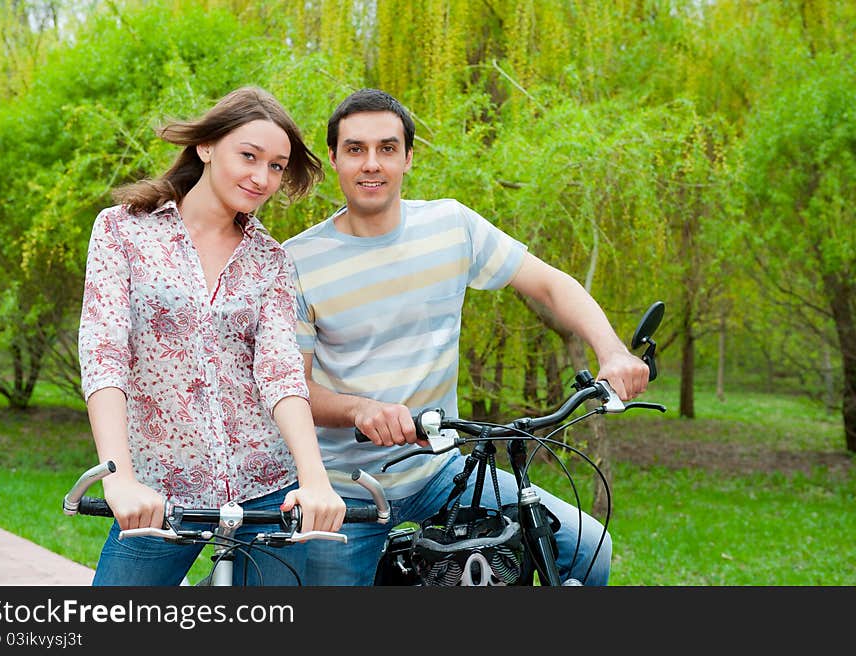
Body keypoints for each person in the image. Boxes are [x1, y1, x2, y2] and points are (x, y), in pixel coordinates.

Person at [282, 88, 650, 586]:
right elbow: (294, 388)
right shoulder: (299, 260)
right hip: (345, 486)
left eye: (387, 148)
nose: (372, 164)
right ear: (333, 158)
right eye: (355, 149)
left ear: (409, 157)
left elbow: (550, 283)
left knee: (586, 547)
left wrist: (611, 351)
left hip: (442, 473)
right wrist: (358, 409)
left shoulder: (451, 226)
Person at [78, 86, 346, 586]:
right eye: (249, 156)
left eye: (276, 166)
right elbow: (103, 352)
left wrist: (313, 477)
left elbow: (280, 372)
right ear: (206, 147)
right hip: (159, 490)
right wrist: (120, 479)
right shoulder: (122, 231)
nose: (261, 177)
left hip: (266, 486)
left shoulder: (270, 260)